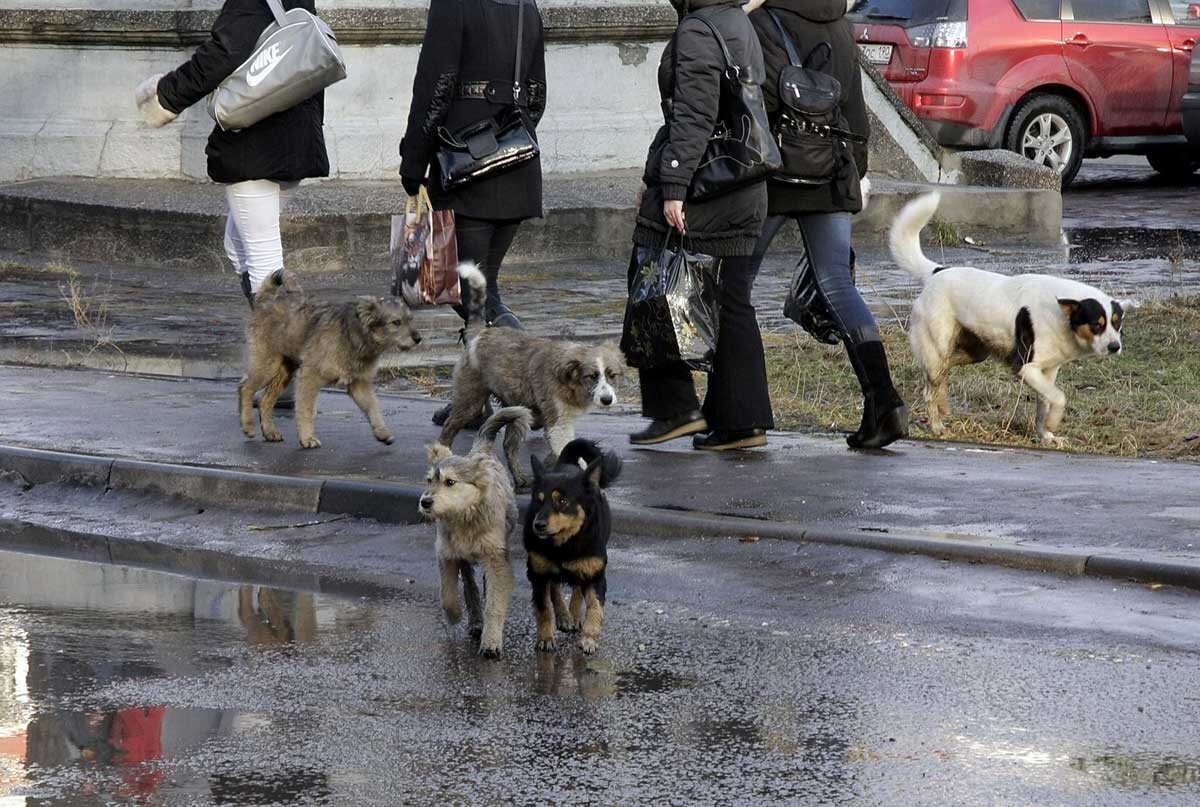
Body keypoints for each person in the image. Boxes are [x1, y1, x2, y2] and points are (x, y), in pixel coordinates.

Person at [134, 0, 330, 409]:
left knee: (263, 262)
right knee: (238, 247)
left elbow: (223, 53)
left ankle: (285, 370)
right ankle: (282, 357)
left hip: (256, 142)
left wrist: (164, 97)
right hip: (290, 137)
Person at [745, 0, 908, 449]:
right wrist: (856, 170)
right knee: (838, 282)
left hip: (774, 172)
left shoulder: (758, 21)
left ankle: (740, 416)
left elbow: (759, 99)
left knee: (733, 287)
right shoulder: (839, 23)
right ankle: (884, 400)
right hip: (832, 169)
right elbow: (855, 109)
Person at [627, 0, 774, 452]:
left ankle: (675, 407)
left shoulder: (697, 27)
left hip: (709, 185)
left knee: (649, 266)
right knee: (732, 300)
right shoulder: (736, 21)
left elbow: (694, 115)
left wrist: (671, 184)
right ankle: (741, 420)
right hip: (743, 181)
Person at [400, 0, 547, 426]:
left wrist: (414, 159)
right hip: (515, 160)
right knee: (479, 287)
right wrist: (508, 136)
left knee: (469, 291)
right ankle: (473, 398)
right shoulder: (525, 5)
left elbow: (434, 85)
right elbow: (537, 93)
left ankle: (532, 380)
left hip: (466, 166)